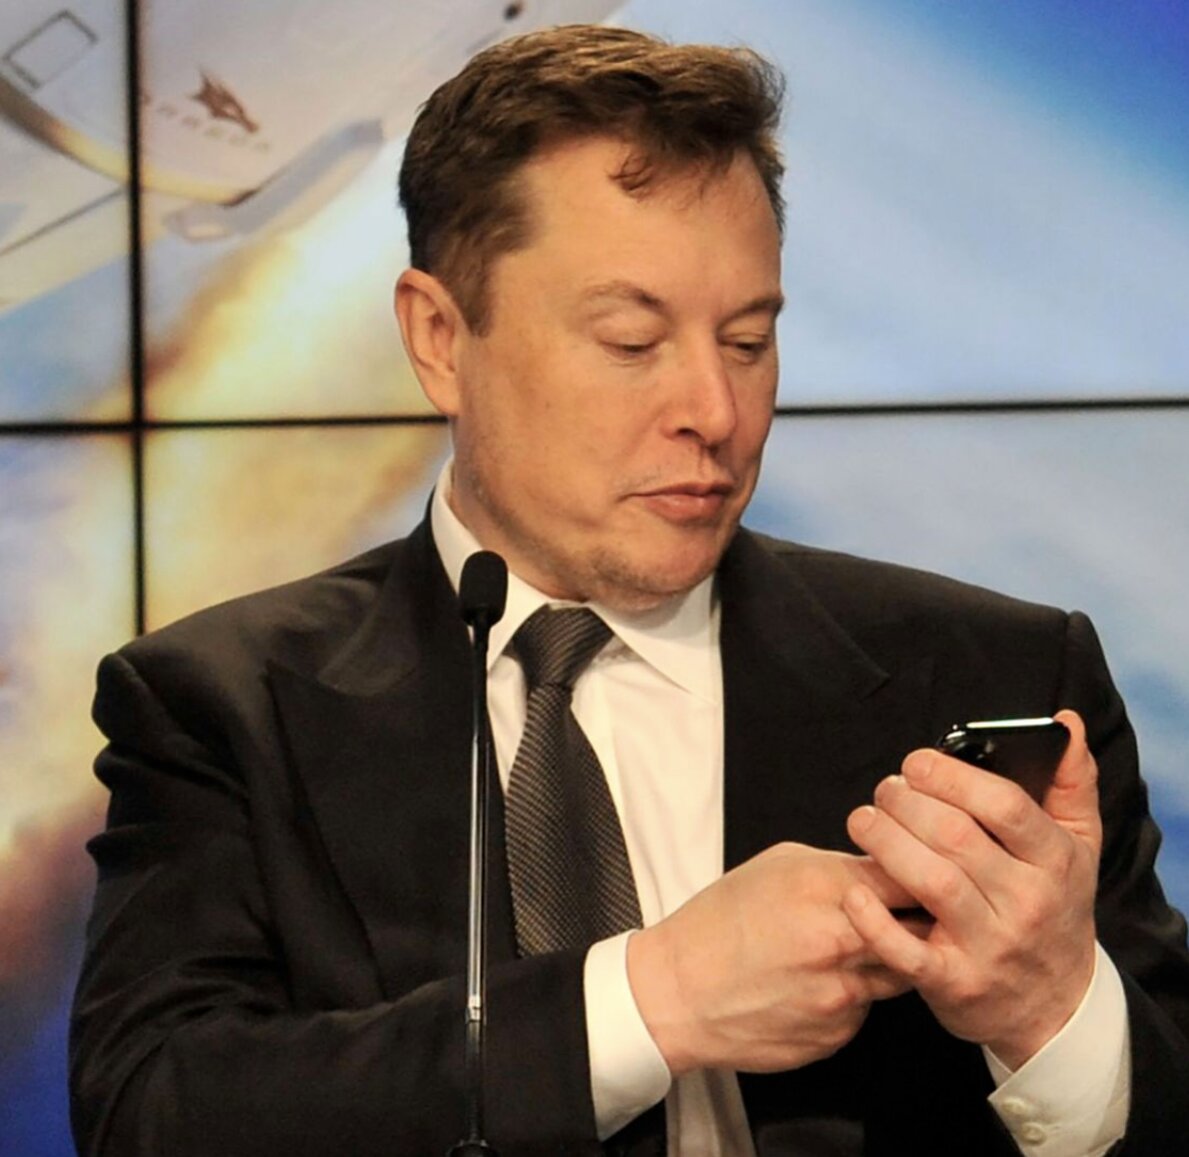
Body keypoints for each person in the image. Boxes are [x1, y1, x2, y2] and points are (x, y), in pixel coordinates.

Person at [70, 23, 1189, 1157]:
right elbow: (152, 1112)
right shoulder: (221, 705)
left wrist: (1048, 1013)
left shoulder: (1002, 672)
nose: (715, 409)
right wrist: (652, 1000)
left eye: (747, 341)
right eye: (630, 340)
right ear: (440, 338)